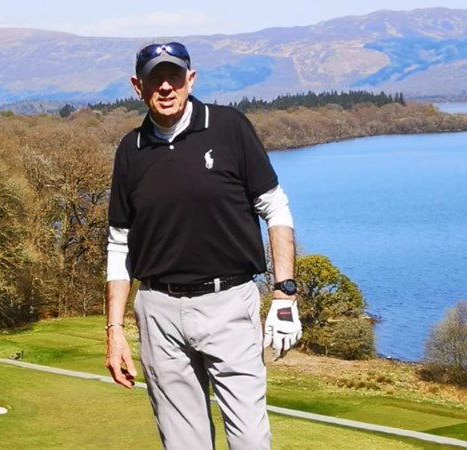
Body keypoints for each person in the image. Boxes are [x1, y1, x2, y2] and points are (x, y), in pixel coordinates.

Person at [104, 41, 302, 449]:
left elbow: (275, 207)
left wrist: (284, 294)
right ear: (137, 87)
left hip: (228, 303)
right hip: (158, 312)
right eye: (155, 79)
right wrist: (115, 330)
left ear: (190, 79)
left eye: (174, 76)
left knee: (250, 439)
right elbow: (119, 244)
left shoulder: (229, 127)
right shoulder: (130, 150)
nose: (165, 87)